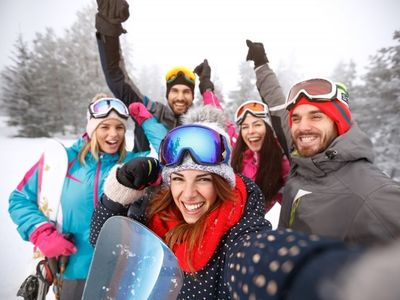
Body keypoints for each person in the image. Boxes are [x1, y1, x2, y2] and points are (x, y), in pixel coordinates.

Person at [91, 105, 389, 300]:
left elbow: (255, 257)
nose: (189, 194)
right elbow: (102, 241)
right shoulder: (154, 210)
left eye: (204, 179)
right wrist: (121, 191)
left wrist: (328, 275)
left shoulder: (235, 226)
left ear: (222, 181)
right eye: (179, 179)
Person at [8, 95, 167, 299]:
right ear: (92, 128)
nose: (113, 134)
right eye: (105, 127)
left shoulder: (131, 165)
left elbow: (170, 158)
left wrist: (148, 122)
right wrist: (42, 233)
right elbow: (19, 199)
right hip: (73, 271)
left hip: (121, 272)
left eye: (119, 127)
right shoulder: (63, 161)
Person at [245, 40, 400, 245]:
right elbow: (276, 102)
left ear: (338, 122)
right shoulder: (304, 156)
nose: (303, 127)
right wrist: (261, 64)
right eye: (297, 118)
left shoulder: (373, 192)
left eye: (316, 117)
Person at [95, 0, 213, 152]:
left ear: (193, 96)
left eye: (186, 92)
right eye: (175, 91)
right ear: (167, 93)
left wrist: (205, 84)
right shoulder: (149, 111)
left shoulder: (201, 125)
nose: (180, 97)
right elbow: (116, 76)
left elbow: (217, 115)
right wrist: (109, 28)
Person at [193, 61, 289, 214]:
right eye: (245, 127)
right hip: (221, 219)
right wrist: (206, 85)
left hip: (249, 229)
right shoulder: (239, 150)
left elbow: (294, 204)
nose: (250, 131)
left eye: (257, 124)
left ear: (268, 128)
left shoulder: (281, 162)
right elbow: (219, 116)